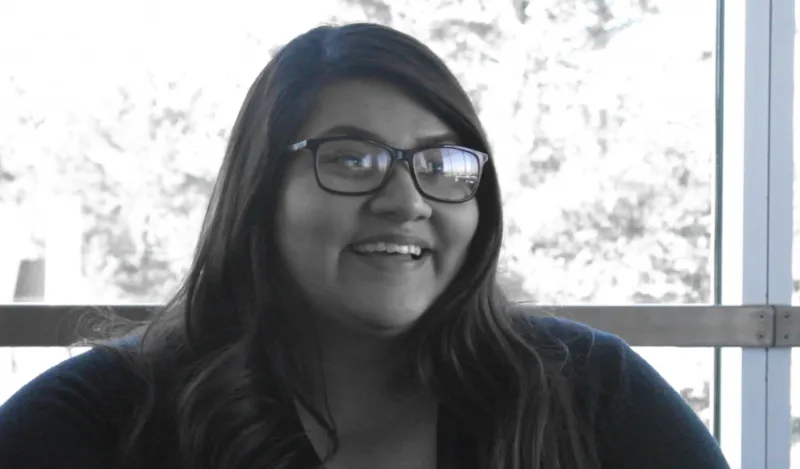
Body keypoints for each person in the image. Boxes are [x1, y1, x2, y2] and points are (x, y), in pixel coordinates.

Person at [0, 23, 729, 469]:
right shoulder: (108, 415)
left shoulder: (587, 389)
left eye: (442, 165)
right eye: (351, 159)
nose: (406, 201)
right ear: (260, 191)